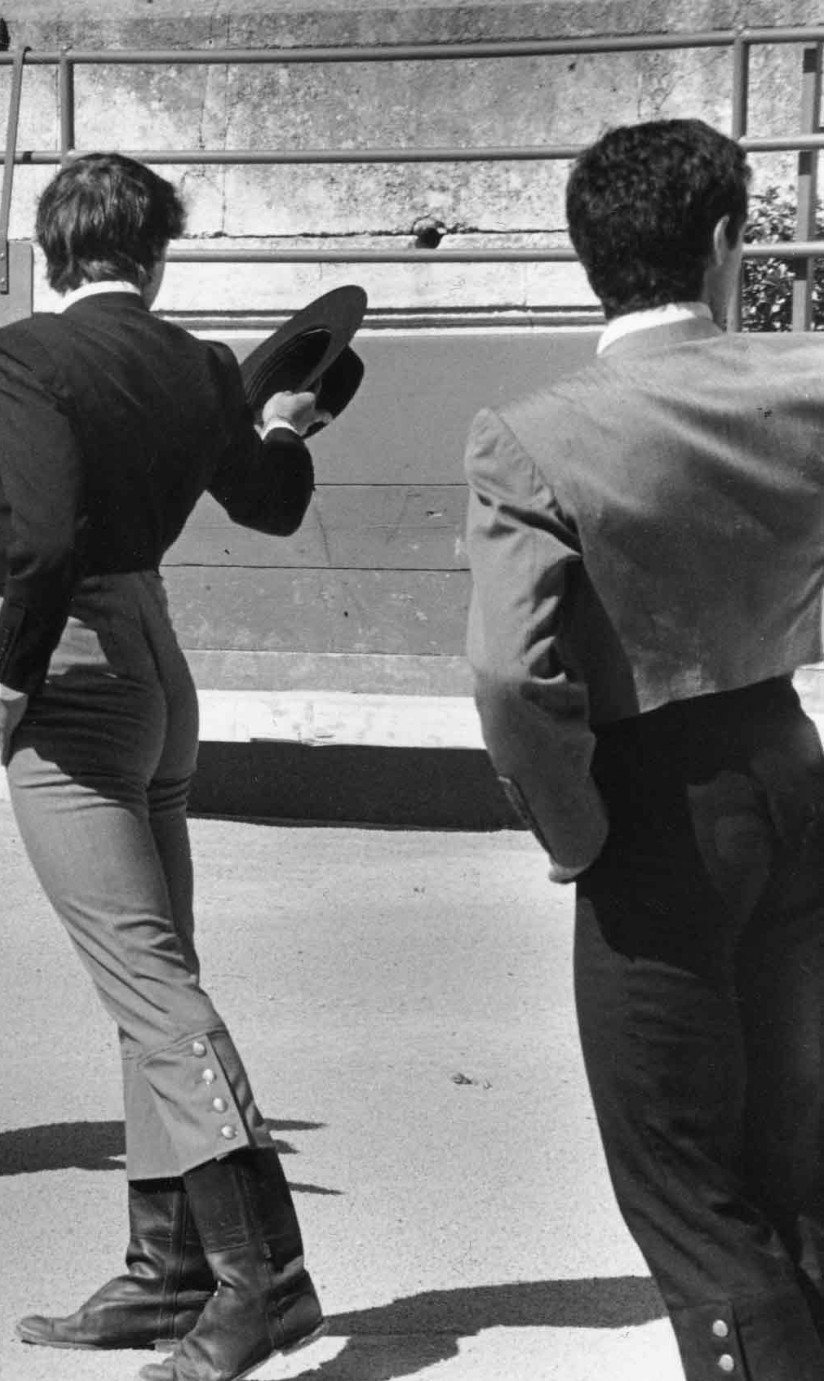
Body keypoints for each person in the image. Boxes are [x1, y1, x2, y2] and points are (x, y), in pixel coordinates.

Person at [464, 118, 824, 1381]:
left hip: (650, 812)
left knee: (679, 1181)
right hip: (787, 757)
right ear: (726, 243)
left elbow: (514, 675)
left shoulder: (529, 434)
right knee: (793, 1153)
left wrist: (576, 831)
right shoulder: (805, 379)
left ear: (585, 261)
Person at [0, 152, 330, 1381]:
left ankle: (263, 1277)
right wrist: (281, 428)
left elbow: (45, 534)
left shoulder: (27, 351)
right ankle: (168, 1268)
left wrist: (10, 673)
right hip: (159, 673)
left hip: (72, 678)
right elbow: (269, 503)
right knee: (153, 975)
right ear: (156, 257)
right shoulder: (201, 364)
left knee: (151, 987)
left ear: (47, 251)